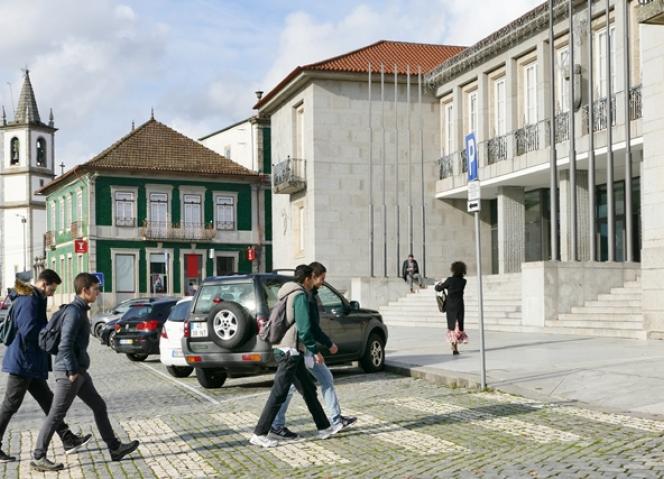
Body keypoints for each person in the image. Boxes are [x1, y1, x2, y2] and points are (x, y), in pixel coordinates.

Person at [31, 273, 140, 472]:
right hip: (69, 372)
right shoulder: (74, 312)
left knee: (99, 405)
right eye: (96, 288)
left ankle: (114, 448)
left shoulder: (80, 310)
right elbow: (65, 344)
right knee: (56, 414)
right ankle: (38, 456)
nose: (98, 292)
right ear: (84, 290)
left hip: (79, 371)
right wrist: (72, 371)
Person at [0, 270, 90, 463]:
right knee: (10, 405)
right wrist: (51, 332)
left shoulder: (35, 299)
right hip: (22, 363)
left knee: (49, 401)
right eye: (52, 289)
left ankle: (68, 439)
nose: (52, 293)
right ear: (44, 284)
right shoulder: (29, 300)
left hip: (31, 363)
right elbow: (29, 330)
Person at [250, 264, 341, 448]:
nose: (319, 283)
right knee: (279, 392)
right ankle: (259, 433)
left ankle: (324, 427)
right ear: (308, 278)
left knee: (308, 389)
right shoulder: (299, 295)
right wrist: (315, 351)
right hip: (289, 351)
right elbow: (305, 329)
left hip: (290, 350)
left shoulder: (287, 293)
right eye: (316, 279)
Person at [269, 262, 357, 440]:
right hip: (298, 348)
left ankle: (278, 424)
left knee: (293, 386)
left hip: (297, 347)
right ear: (311, 277)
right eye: (322, 278)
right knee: (301, 385)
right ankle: (332, 421)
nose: (323, 282)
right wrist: (317, 348)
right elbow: (308, 328)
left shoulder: (307, 294)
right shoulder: (304, 296)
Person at [435, 261, 468, 355]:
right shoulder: (463, 281)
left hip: (451, 306)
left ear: (453, 269)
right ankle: (455, 346)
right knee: (458, 325)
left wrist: (438, 285)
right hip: (460, 305)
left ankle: (454, 346)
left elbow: (438, 289)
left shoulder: (449, 280)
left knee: (452, 326)